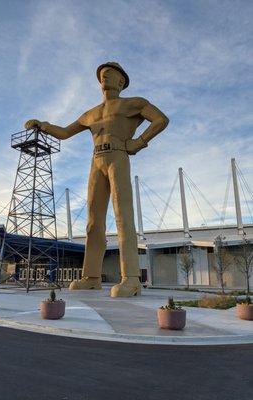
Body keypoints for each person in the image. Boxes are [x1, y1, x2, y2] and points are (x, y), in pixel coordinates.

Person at [25, 62, 169, 297]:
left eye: (110, 73)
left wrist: (139, 142)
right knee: (93, 222)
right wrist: (43, 125)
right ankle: (90, 277)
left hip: (118, 157)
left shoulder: (133, 103)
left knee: (123, 216)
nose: (104, 77)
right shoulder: (90, 114)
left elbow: (161, 120)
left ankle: (131, 279)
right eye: (102, 75)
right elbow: (65, 132)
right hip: (96, 160)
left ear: (121, 81)